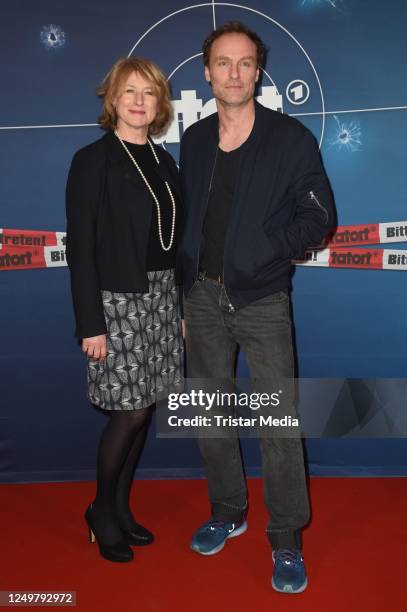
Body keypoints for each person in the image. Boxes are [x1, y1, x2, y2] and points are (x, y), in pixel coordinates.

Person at [179, 21, 335, 592]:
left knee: (276, 423)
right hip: (200, 298)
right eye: (223, 62)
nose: (235, 73)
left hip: (263, 299)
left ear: (258, 70)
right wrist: (181, 287)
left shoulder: (290, 139)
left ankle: (288, 539)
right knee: (210, 416)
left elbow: (319, 220)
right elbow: (186, 221)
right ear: (207, 72)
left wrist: (262, 252)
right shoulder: (193, 141)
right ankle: (228, 512)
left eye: (246, 63)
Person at [65, 57, 184, 563]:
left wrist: (178, 305)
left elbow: (174, 243)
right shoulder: (93, 160)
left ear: (159, 105)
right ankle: (100, 510)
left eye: (149, 93)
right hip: (117, 301)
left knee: (146, 408)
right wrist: (90, 323)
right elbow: (82, 249)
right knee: (129, 411)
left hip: (161, 298)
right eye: (128, 91)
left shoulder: (164, 160)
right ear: (112, 100)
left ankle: (119, 508)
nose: (138, 101)